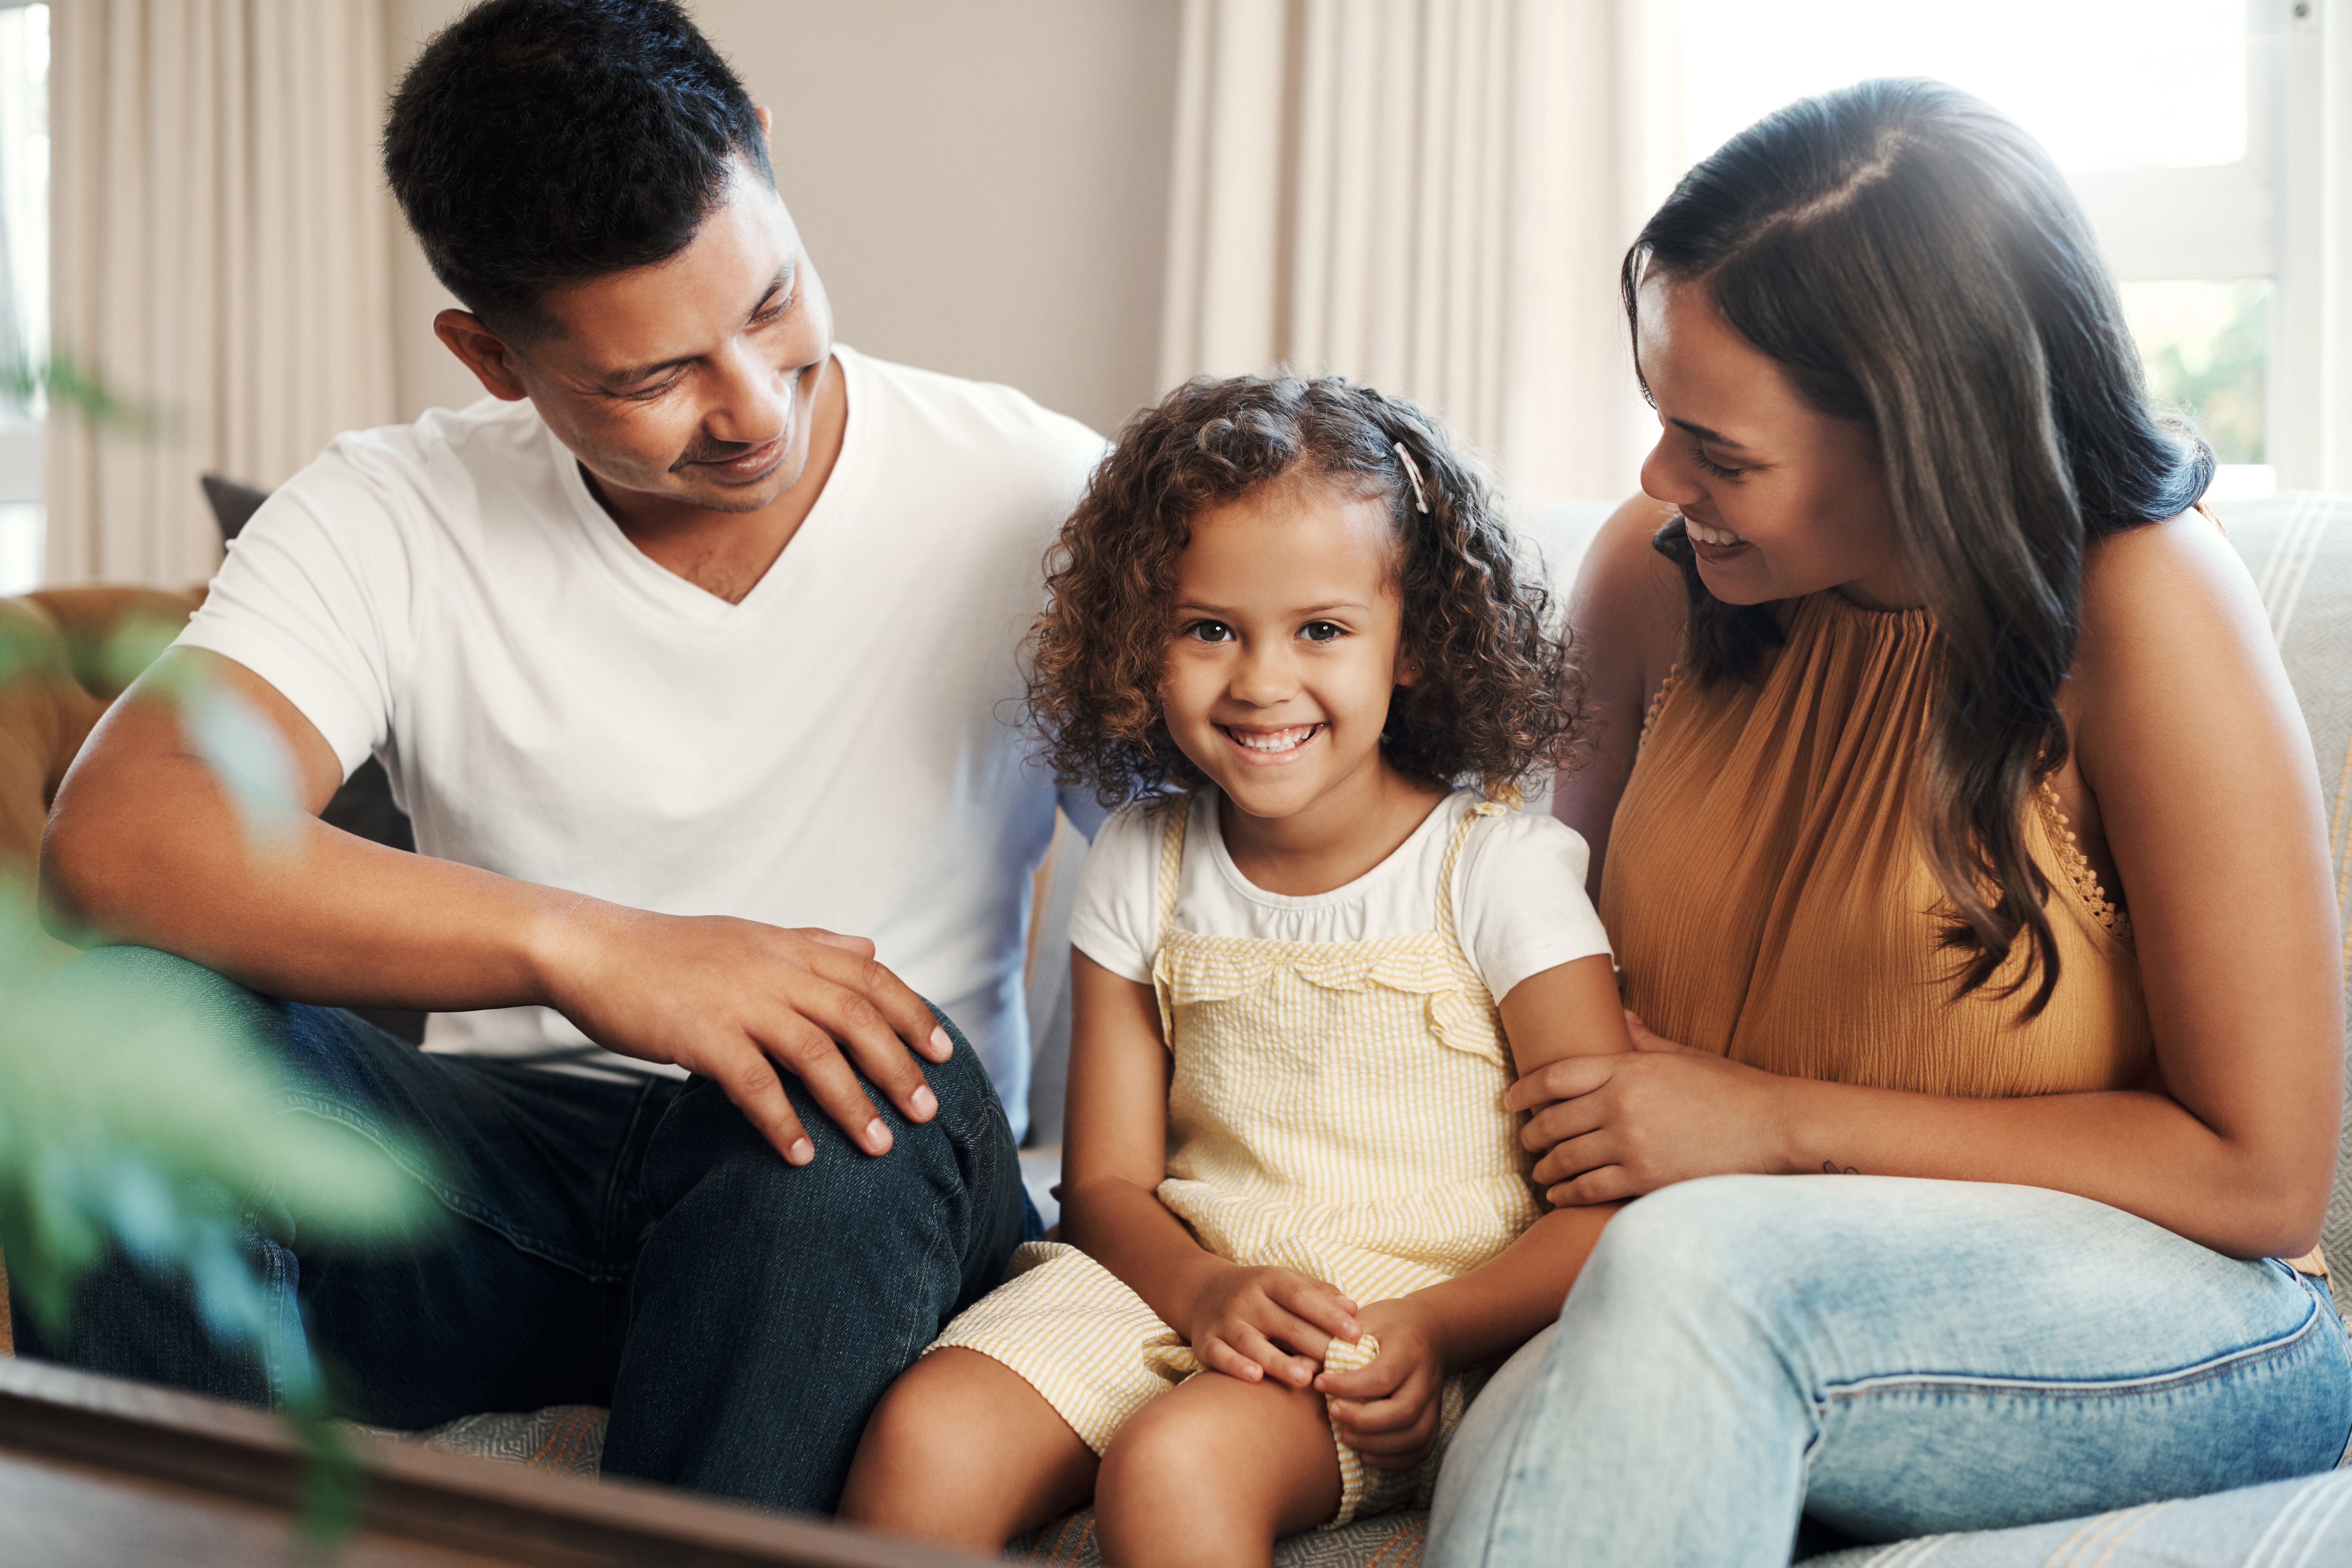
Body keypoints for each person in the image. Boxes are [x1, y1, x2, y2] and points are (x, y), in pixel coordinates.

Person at [26, 0, 1108, 1515]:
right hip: (492, 1189)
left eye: (773, 304)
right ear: (490, 355)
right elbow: (125, 837)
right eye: (649, 381)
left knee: (867, 1099)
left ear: (770, 168)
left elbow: (1227, 883)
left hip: (858, 1189)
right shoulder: (388, 510)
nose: (748, 407)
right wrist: (592, 948)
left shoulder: (1038, 492)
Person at [1427, 78, 2352, 1568]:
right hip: (1700, 1280)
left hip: (2185, 1323)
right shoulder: (1652, 581)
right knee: (1553, 1391)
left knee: (1691, 1275)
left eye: (1720, 453)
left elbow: (2258, 1175)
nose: (1666, 483)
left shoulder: (2145, 609)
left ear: (1922, 436)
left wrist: (1774, 1127)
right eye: (1662, 424)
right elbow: (1511, 951)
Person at [837, 376, 1632, 1566]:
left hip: (1392, 1319)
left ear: (1411, 646)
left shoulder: (1501, 871)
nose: (1261, 682)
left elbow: (1605, 1200)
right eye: (1210, 629)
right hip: (1171, 1284)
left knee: (1175, 1467)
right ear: (1141, 643)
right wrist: (1204, 1294)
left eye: (1321, 629)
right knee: (926, 1439)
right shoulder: (1140, 859)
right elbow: (1106, 1188)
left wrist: (1436, 1330)